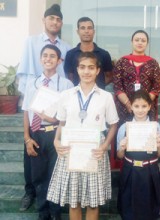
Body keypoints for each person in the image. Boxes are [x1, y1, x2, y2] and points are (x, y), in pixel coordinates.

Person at [47, 52, 119, 220]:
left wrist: (104, 146)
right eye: (82, 67)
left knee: (92, 202)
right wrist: (56, 140)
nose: (86, 72)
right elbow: (62, 123)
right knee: (74, 201)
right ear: (77, 69)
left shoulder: (106, 97)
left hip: (95, 151)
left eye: (91, 68)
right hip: (70, 150)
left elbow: (113, 125)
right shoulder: (66, 95)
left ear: (98, 70)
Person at [17, 4, 70, 211]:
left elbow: (65, 79)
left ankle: (53, 208)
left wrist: (58, 117)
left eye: (58, 19)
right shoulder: (31, 42)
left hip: (55, 110)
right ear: (44, 20)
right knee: (32, 163)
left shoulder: (65, 46)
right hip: (35, 108)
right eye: (51, 18)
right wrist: (28, 131)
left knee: (51, 169)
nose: (54, 22)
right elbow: (24, 72)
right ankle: (30, 193)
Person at [22, 44, 73, 220]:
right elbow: (26, 111)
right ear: (40, 59)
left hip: (55, 134)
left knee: (55, 175)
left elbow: (69, 113)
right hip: (36, 133)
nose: (48, 59)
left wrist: (56, 119)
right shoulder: (32, 83)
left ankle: (55, 212)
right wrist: (27, 138)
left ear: (59, 61)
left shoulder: (66, 84)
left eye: (53, 56)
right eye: (45, 55)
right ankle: (43, 213)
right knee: (38, 176)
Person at [116, 89, 160, 220]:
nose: (140, 110)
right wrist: (122, 147)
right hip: (130, 170)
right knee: (128, 207)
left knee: (150, 208)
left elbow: (159, 155)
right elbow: (120, 156)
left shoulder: (156, 127)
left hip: (149, 171)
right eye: (136, 106)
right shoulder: (124, 127)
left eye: (144, 106)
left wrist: (159, 144)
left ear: (149, 106)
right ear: (131, 106)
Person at [113, 30, 160, 126]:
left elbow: (156, 87)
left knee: (147, 136)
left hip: (146, 109)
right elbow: (117, 85)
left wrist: (144, 104)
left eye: (143, 40)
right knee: (125, 135)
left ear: (147, 43)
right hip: (124, 107)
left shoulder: (153, 63)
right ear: (132, 42)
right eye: (137, 40)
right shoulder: (122, 62)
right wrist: (128, 104)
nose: (140, 42)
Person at [64, 17, 113, 89]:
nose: (86, 31)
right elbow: (70, 76)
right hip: (77, 95)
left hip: (98, 95)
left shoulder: (104, 54)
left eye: (89, 28)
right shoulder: (70, 54)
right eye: (83, 28)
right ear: (78, 31)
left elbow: (109, 76)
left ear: (94, 31)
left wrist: (96, 87)